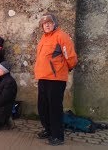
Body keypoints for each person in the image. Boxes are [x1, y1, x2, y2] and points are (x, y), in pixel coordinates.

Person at [34, 13, 78, 146]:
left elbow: (70, 57)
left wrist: (66, 69)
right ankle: (48, 130)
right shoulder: (43, 38)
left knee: (54, 108)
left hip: (56, 78)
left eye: (49, 23)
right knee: (43, 107)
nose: (47, 25)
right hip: (43, 77)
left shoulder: (61, 36)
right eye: (44, 23)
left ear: (54, 24)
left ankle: (58, 136)